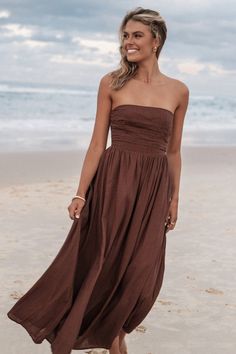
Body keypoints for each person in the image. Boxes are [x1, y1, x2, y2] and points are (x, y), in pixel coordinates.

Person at [7, 6, 189, 354]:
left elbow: (174, 152)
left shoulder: (179, 91)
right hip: (114, 183)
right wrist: (80, 193)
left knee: (140, 271)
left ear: (156, 41)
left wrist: (174, 198)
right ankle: (112, 338)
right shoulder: (111, 83)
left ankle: (113, 333)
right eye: (124, 36)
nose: (127, 43)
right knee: (102, 262)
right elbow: (96, 144)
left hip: (152, 190)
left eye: (136, 35)